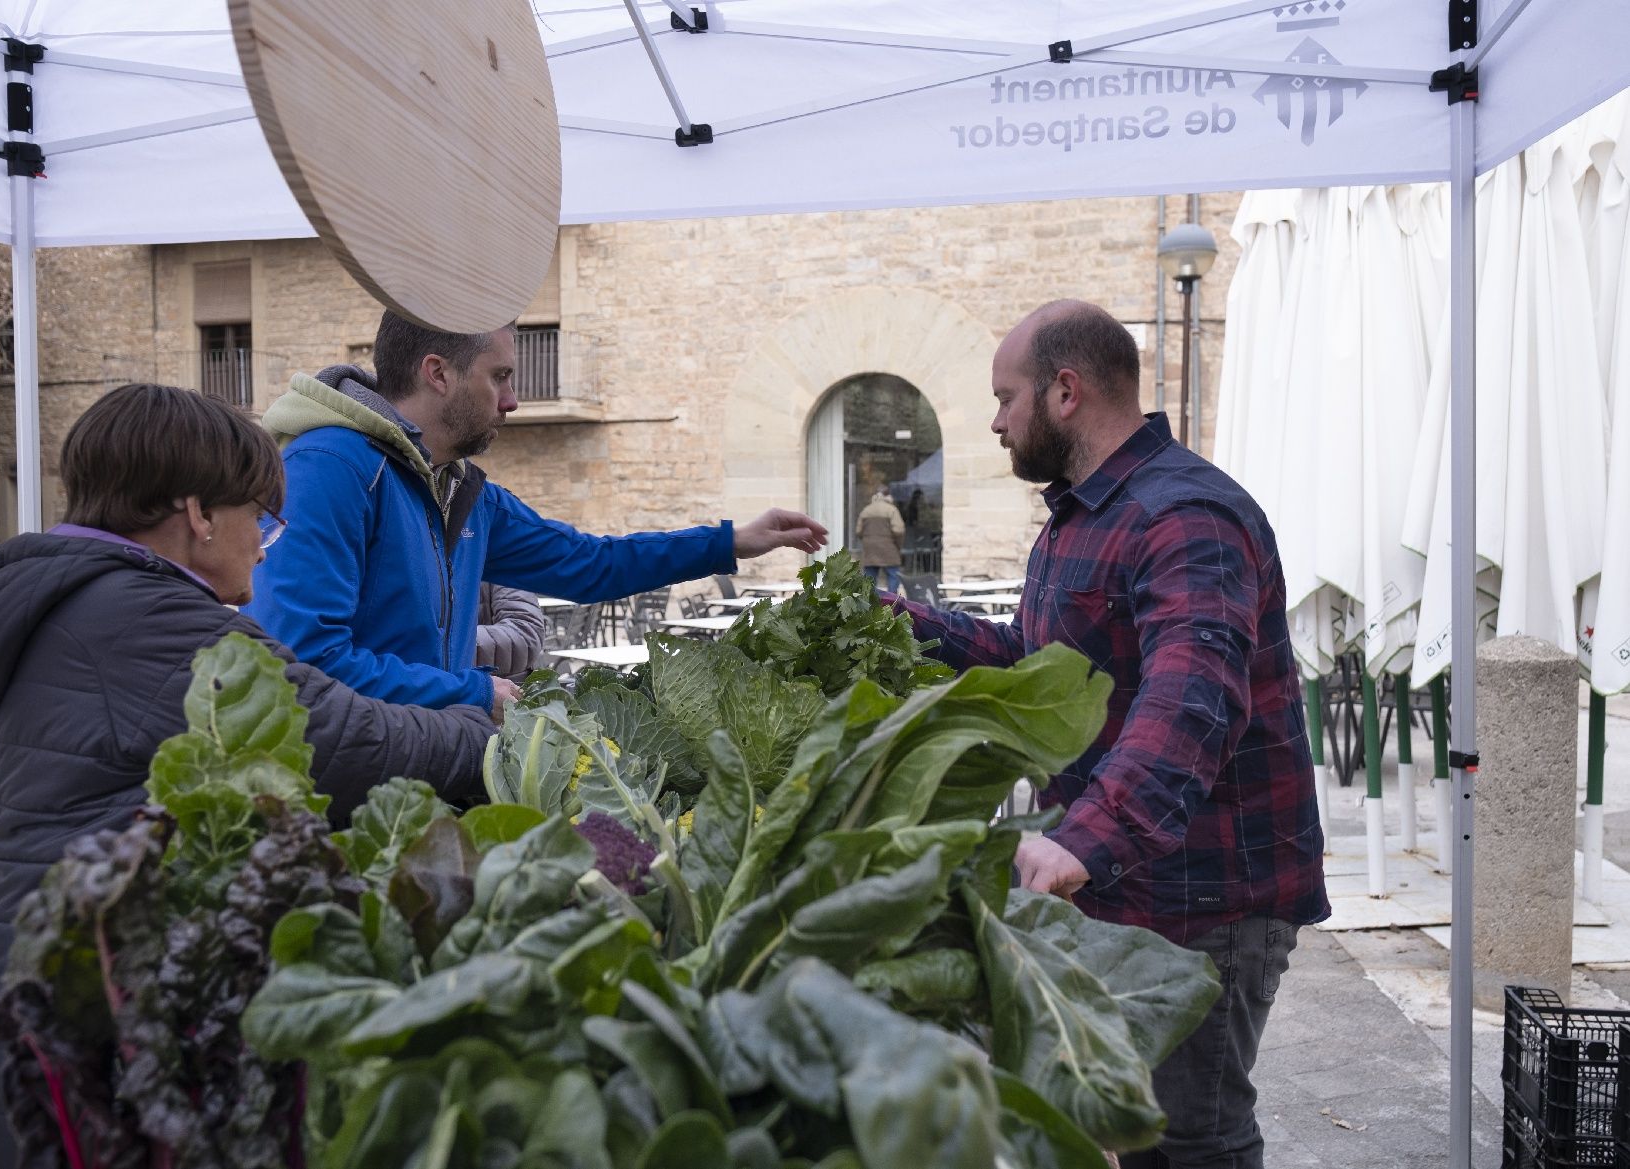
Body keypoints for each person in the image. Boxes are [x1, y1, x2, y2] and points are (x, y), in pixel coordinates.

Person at [0, 384, 501, 1169]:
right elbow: (341, 739)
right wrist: (493, 735)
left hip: (46, 1035)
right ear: (198, 512)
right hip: (71, 1061)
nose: (266, 544)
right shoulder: (140, 616)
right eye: (259, 516)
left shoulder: (88, 601)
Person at [885, 301, 1328, 1169]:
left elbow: (1192, 695)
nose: (995, 420)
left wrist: (1084, 835)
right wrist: (898, 624)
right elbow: (1037, 663)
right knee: (1130, 1125)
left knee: (1193, 1135)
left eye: (1006, 398)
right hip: (1129, 886)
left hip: (1209, 894)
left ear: (1065, 391)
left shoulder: (1186, 514)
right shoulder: (1081, 517)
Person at [243, 312, 826, 715]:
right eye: (499, 376)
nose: (512, 399)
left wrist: (728, 543)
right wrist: (473, 693)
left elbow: (590, 563)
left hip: (425, 757)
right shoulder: (331, 468)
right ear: (437, 372)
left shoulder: (462, 491)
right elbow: (303, 660)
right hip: (348, 787)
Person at [475, 579, 546, 682]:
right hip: (467, 686)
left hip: (497, 689)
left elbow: (525, 633)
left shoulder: (493, 564)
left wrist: (455, 645)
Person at [855, 488, 905, 592]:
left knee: (869, 579)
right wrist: (898, 545)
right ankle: (892, 602)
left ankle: (870, 603)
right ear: (889, 497)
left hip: (870, 550)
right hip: (889, 548)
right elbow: (899, 531)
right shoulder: (891, 510)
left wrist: (868, 540)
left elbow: (858, 531)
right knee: (893, 576)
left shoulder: (866, 510)